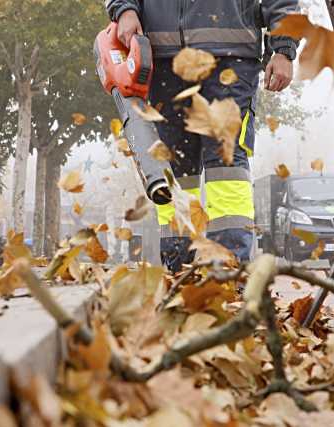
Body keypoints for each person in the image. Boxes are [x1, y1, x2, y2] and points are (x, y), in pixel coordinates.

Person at [105, 0, 299, 272]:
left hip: (231, 56)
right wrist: (124, 9)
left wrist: (284, 47)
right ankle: (179, 271)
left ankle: (228, 273)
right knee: (174, 172)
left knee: (226, 166)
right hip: (161, 58)